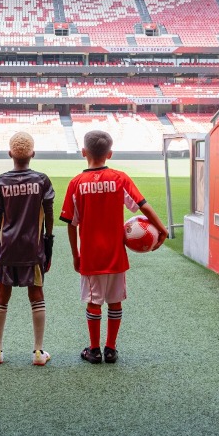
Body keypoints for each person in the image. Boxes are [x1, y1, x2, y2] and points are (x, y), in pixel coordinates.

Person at [59, 130, 167, 364]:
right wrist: (162, 229)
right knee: (115, 301)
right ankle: (110, 349)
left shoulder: (76, 183)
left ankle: (94, 350)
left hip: (91, 255)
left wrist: (75, 255)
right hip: (116, 253)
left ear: (83, 152)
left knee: (93, 301)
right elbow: (142, 205)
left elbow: (70, 223)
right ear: (110, 154)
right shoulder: (120, 178)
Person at [0, 132, 56, 366]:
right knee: (36, 294)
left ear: (10, 154)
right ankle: (38, 352)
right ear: (33, 154)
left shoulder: (1, 181)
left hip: (7, 247)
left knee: (2, 294)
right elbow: (49, 213)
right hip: (33, 247)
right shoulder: (42, 180)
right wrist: (48, 241)